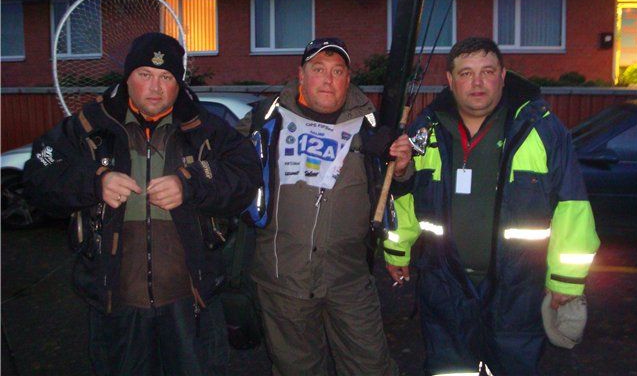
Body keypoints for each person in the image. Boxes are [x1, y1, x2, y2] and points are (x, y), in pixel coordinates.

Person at [23, 32, 262, 376]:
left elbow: (246, 175)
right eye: (145, 74)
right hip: (116, 303)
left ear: (178, 83)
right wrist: (95, 181)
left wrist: (190, 183)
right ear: (128, 77)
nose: (155, 87)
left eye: (166, 77)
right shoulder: (90, 125)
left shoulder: (206, 128)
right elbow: (38, 174)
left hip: (191, 300)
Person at [384, 37, 600, 375]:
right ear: (450, 80)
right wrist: (397, 250)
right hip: (444, 286)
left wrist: (566, 279)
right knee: (450, 371)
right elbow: (407, 194)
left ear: (502, 75)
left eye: (487, 71)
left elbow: (572, 204)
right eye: (466, 73)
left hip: (519, 289)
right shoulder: (425, 130)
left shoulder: (540, 127)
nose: (477, 82)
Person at [237, 38, 398, 375]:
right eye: (319, 69)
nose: (328, 79)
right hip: (283, 280)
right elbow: (226, 170)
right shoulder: (266, 121)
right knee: (297, 369)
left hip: (350, 279)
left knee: (371, 367)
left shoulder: (370, 128)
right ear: (301, 75)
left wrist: (402, 164)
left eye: (337, 71)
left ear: (348, 79)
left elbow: (403, 183)